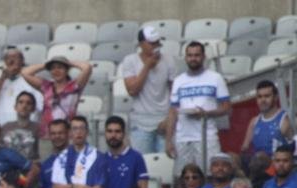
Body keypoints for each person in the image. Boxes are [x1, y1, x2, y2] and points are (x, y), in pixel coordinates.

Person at [166, 41, 230, 172]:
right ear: (185, 58)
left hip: (207, 136)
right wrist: (168, 140)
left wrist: (206, 114)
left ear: (203, 57)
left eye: (196, 55)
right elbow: (173, 112)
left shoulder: (215, 78)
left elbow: (226, 107)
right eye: (190, 55)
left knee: (210, 175)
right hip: (182, 138)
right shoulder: (178, 81)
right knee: (183, 178)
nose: (193, 58)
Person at [118, 24, 176, 155]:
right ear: (141, 44)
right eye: (151, 43)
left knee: (165, 165)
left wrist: (170, 119)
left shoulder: (169, 60)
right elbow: (132, 90)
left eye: (157, 43)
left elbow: (175, 93)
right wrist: (147, 67)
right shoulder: (130, 60)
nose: (155, 46)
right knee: (142, 165)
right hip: (140, 123)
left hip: (164, 119)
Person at [22, 57, 92, 137]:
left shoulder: (74, 86)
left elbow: (87, 68)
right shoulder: (46, 86)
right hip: (47, 134)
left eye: (60, 67)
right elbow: (25, 73)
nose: (56, 71)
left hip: (67, 134)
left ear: (67, 70)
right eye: (53, 68)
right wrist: (46, 65)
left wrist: (69, 63)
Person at [0, 47, 42, 126]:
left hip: (27, 129)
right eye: (8, 58)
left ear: (22, 61)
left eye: (15, 57)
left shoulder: (31, 80)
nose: (11, 60)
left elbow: (41, 107)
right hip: (2, 128)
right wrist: (2, 78)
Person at [241, 80, 292, 165]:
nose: (263, 100)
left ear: (276, 97)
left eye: (267, 96)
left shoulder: (284, 120)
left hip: (277, 169)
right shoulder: (254, 122)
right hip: (257, 169)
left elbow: (293, 150)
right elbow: (244, 149)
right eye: (259, 97)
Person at [0, 92, 39, 163]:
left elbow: (41, 156)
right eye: (21, 102)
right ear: (15, 107)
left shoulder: (38, 129)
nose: (24, 106)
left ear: (33, 108)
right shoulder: (5, 127)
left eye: (28, 103)